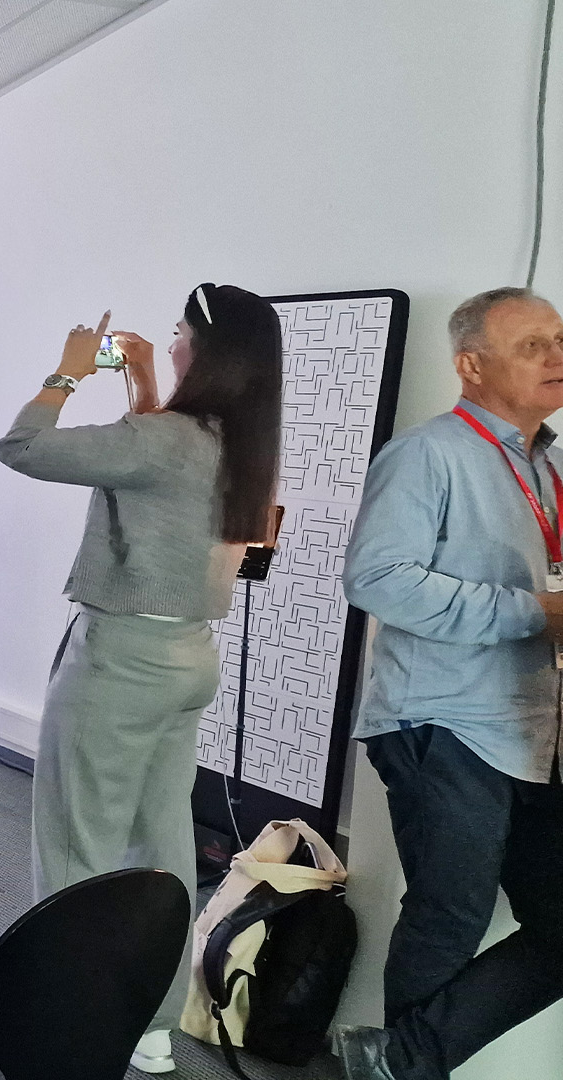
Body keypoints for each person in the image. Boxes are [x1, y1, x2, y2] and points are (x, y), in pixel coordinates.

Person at [0, 285, 284, 1075]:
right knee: (158, 846)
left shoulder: (164, 441)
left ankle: (69, 1018)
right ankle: (152, 1024)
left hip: (121, 660)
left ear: (208, 349)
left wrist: (65, 373)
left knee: (77, 842)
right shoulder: (243, 439)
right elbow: (156, 467)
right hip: (190, 659)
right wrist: (144, 387)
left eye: (179, 333)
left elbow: (22, 449)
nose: (174, 343)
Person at [334, 287, 563, 1080]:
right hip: (441, 721)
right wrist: (532, 611)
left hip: (536, 726)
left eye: (559, 340)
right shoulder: (428, 454)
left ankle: (398, 1061)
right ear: (471, 365)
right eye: (532, 344)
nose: (557, 357)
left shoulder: (553, 465)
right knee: (450, 916)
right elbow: (377, 580)